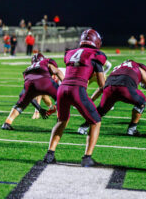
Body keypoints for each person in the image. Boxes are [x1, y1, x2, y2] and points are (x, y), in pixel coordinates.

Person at [43, 29, 107, 167]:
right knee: (95, 121)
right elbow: (102, 85)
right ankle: (87, 157)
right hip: (77, 89)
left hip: (62, 88)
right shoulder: (96, 55)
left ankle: (50, 154)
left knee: (62, 120)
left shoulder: (70, 53)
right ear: (96, 41)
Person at [78, 60, 146, 136]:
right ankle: (132, 129)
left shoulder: (118, 68)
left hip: (109, 88)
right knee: (142, 101)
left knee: (101, 110)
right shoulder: (139, 68)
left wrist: (91, 100)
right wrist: (142, 84)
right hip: (125, 88)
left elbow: (102, 87)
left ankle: (83, 127)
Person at [1, 53, 64, 130]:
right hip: (45, 81)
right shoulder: (45, 62)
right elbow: (57, 71)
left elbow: (25, 95)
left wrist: (39, 108)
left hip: (30, 84)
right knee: (60, 97)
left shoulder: (27, 69)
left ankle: (7, 123)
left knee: (21, 103)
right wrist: (65, 84)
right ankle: (60, 122)